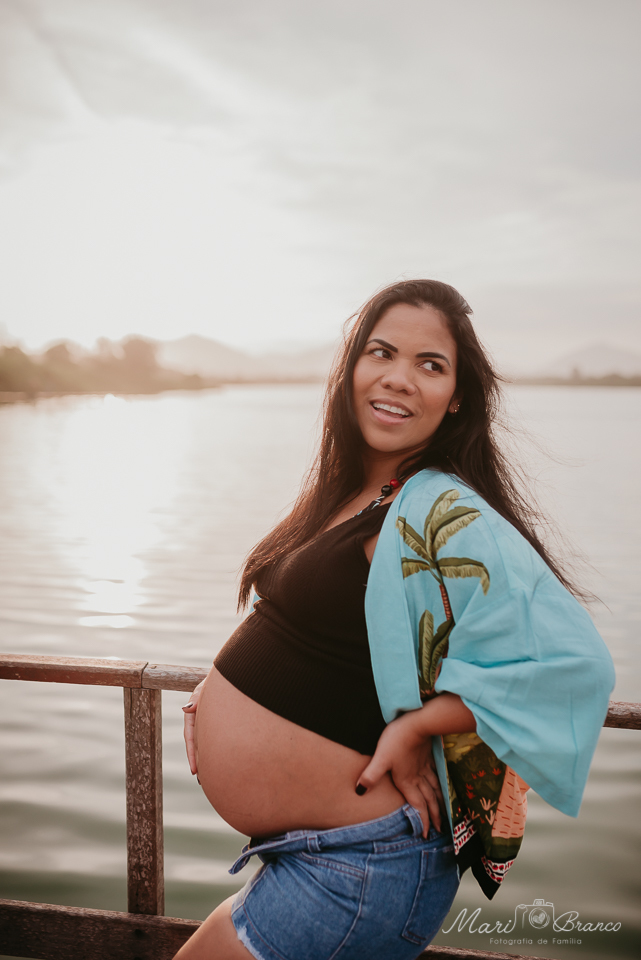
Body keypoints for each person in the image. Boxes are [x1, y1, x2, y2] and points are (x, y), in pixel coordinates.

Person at [173, 280, 615, 960]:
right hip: (320, 854)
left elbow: (570, 664)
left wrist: (417, 724)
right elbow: (320, 632)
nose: (399, 378)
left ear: (457, 395)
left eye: (429, 365)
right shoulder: (349, 491)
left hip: (358, 867)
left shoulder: (441, 509)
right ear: (351, 367)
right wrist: (214, 692)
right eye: (381, 352)